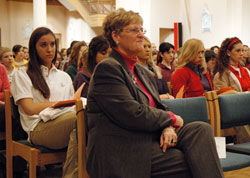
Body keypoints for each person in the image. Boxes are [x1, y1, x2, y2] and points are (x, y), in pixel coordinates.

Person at [86, 8, 223, 178]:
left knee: (201, 130)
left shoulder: (143, 72)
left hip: (149, 138)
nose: (141, 35)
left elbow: (158, 107)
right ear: (116, 36)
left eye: (141, 30)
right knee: (194, 158)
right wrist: (171, 119)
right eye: (134, 30)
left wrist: (167, 126)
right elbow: (131, 113)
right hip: (122, 147)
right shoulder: (108, 69)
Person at [11, 27, 78, 178]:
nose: (50, 49)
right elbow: (29, 108)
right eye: (43, 45)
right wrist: (61, 103)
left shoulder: (64, 76)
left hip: (65, 123)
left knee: (91, 119)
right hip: (38, 128)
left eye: (53, 44)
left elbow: (72, 105)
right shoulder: (22, 73)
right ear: (33, 48)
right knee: (80, 119)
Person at [213, 37, 250, 144]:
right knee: (242, 123)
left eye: (243, 50)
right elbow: (225, 99)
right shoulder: (221, 74)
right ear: (228, 52)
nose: (241, 53)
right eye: (238, 51)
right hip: (234, 114)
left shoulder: (246, 71)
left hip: (247, 108)